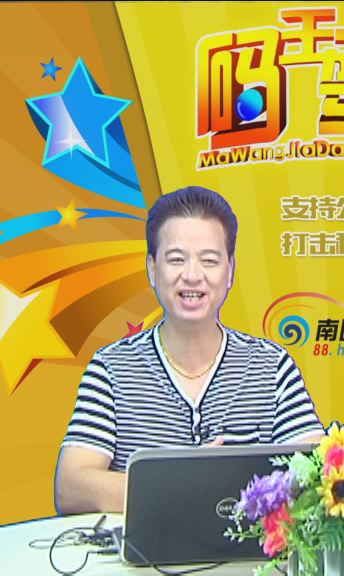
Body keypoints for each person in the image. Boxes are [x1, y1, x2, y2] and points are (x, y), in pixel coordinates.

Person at [55, 187, 324, 514]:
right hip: (143, 548)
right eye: (176, 259)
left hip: (247, 548)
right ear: (153, 269)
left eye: (209, 260)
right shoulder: (111, 369)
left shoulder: (272, 366)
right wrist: (184, 482)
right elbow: (71, 487)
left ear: (230, 271)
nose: (193, 276)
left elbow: (317, 474)